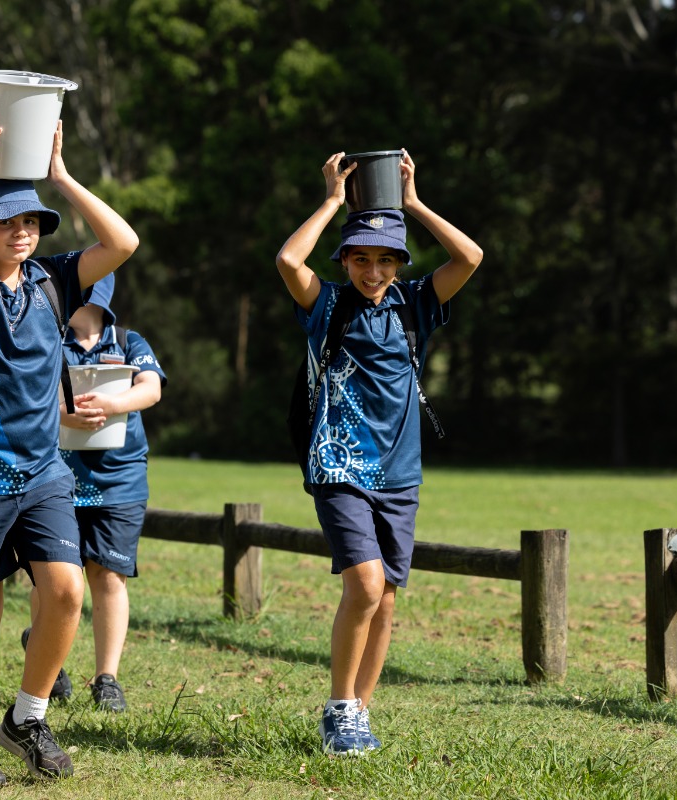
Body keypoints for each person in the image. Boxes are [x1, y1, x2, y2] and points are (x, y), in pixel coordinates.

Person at [0, 110, 139, 785]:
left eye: (32, 221)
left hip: (43, 470)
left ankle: (28, 717)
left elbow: (122, 239)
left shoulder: (56, 280)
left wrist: (62, 176)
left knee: (66, 591)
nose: (22, 231)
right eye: (6, 221)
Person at [274, 150, 482, 756]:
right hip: (338, 465)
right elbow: (289, 259)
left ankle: (362, 712)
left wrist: (413, 203)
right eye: (361, 258)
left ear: (399, 262)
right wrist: (335, 200)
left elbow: (469, 257)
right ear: (344, 260)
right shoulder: (327, 307)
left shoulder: (414, 304)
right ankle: (339, 709)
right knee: (364, 586)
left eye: (385, 258)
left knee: (386, 593)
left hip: (400, 473)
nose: (372, 270)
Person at [25, 272, 164, 712]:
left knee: (109, 575)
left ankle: (107, 678)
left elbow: (152, 388)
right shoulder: (48, 336)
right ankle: (50, 659)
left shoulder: (128, 342)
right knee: (50, 577)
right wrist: (65, 415)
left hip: (118, 480)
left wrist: (112, 402)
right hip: (54, 477)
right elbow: (30, 393)